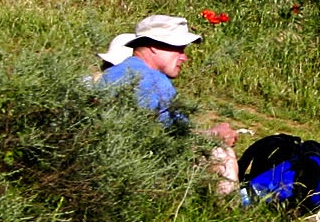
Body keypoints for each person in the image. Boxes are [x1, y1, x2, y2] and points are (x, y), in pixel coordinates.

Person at [99, 14, 239, 184]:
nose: (184, 57)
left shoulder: (115, 72)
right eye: (178, 49)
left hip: (104, 159)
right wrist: (215, 135)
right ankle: (225, 208)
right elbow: (175, 139)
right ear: (153, 46)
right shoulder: (155, 81)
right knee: (221, 154)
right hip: (134, 170)